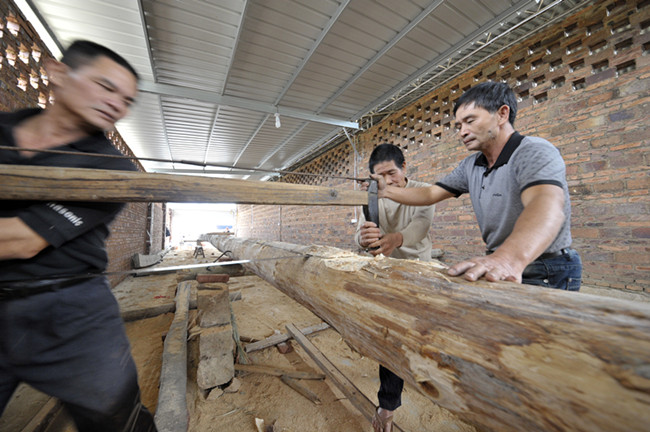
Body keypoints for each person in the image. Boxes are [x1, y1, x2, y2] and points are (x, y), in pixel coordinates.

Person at [0, 41, 157, 431]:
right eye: (106, 86)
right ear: (56, 73)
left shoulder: (111, 169)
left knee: (116, 417)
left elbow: (22, 240)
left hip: (71, 309)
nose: (117, 104)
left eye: (126, 100)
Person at [372, 81, 582, 290]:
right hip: (499, 262)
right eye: (459, 126)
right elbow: (430, 193)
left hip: (546, 267)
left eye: (470, 121)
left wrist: (507, 259)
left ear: (502, 114)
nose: (462, 132)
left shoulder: (533, 151)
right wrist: (386, 190)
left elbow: (546, 206)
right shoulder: (471, 165)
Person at [355, 143, 435, 432]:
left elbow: (420, 227)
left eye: (392, 173)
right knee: (392, 338)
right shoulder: (371, 197)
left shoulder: (423, 191)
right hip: (387, 275)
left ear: (404, 168)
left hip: (420, 274)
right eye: (380, 177)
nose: (387, 181)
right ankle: (388, 407)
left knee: (422, 335)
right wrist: (363, 239)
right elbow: (360, 234)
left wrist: (395, 240)